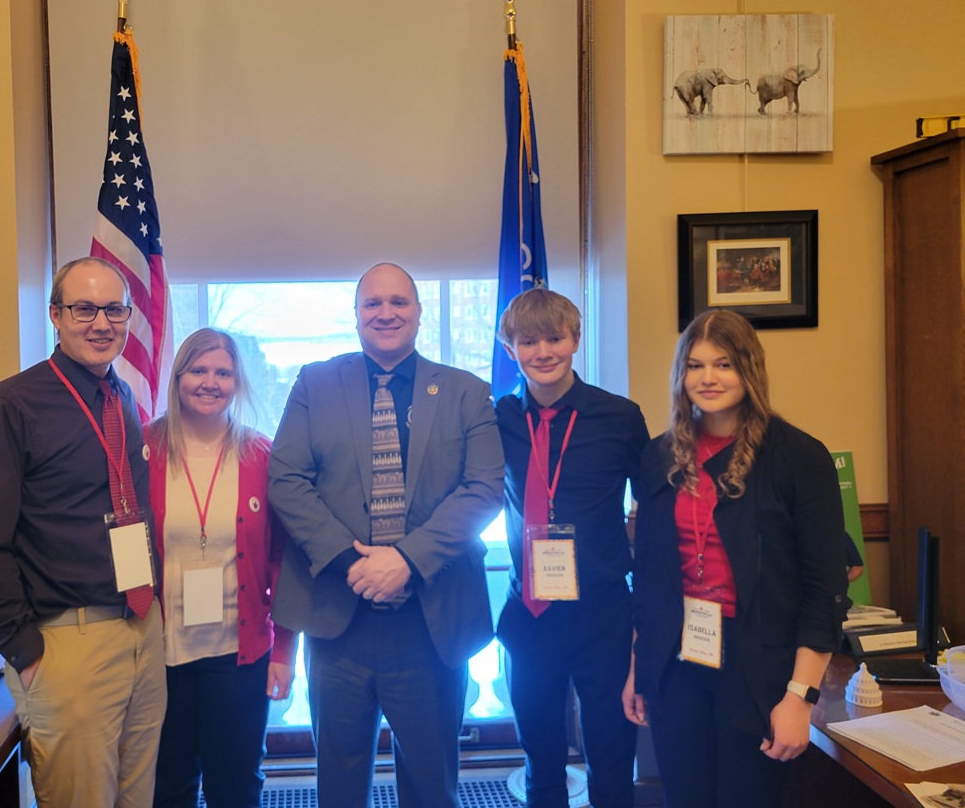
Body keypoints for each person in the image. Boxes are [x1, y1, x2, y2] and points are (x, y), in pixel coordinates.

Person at [268, 262, 504, 808]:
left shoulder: (468, 392)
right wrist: (354, 562)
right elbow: (286, 480)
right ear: (355, 316)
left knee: (430, 780)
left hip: (432, 619)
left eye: (399, 302)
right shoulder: (314, 382)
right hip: (338, 617)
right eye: (373, 303)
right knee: (339, 781)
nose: (386, 313)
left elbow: (484, 489)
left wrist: (405, 560)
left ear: (418, 313)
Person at [0, 257, 168, 808]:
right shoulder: (9, 407)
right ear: (55, 315)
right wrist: (26, 653)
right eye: (83, 308)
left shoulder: (120, 397)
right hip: (67, 646)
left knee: (136, 799)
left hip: (140, 629)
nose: (101, 323)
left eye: (114, 309)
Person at [622, 309, 847, 808]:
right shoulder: (660, 456)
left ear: (749, 369)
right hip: (676, 666)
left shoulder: (798, 457)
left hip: (759, 671)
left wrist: (799, 698)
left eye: (723, 364)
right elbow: (651, 576)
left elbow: (824, 589)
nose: (708, 378)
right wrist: (640, 665)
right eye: (695, 365)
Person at [493, 289, 648, 808]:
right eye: (528, 341)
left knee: (610, 757)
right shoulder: (498, 419)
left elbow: (655, 505)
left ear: (575, 340)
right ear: (509, 345)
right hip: (530, 616)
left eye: (555, 338)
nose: (543, 352)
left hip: (602, 615)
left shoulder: (620, 417)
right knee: (541, 760)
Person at [145, 328, 298, 808]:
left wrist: (285, 651)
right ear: (178, 376)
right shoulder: (142, 450)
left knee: (236, 785)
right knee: (168, 785)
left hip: (240, 656)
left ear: (237, 381)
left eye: (222, 372)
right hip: (158, 656)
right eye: (198, 370)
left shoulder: (260, 454)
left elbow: (281, 561)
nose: (209, 382)